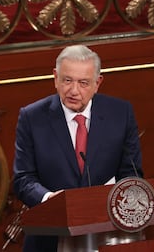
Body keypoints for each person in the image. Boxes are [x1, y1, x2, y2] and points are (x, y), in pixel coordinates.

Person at [13, 44, 144, 251]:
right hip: (49, 238)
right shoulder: (32, 117)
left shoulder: (121, 114)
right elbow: (23, 179)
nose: (74, 91)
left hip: (107, 235)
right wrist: (49, 199)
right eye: (67, 80)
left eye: (83, 83)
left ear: (97, 83)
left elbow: (131, 174)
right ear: (55, 78)